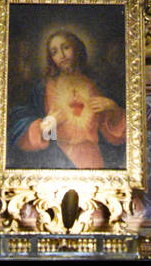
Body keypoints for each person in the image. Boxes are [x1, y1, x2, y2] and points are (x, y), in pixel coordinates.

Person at [8, 29, 125, 170]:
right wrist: (48, 123)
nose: (61, 55)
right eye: (54, 52)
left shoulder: (94, 86)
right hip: (55, 159)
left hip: (92, 160)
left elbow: (114, 136)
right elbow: (18, 124)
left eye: (66, 47)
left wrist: (113, 108)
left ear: (76, 48)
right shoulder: (42, 89)